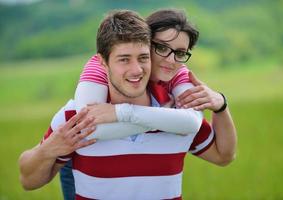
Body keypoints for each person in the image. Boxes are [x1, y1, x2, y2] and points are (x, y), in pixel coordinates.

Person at [19, 9, 236, 199]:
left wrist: (221, 106)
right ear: (103, 62)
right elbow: (29, 181)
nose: (136, 70)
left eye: (142, 58)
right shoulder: (75, 116)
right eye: (124, 59)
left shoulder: (178, 110)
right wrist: (50, 148)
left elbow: (224, 156)